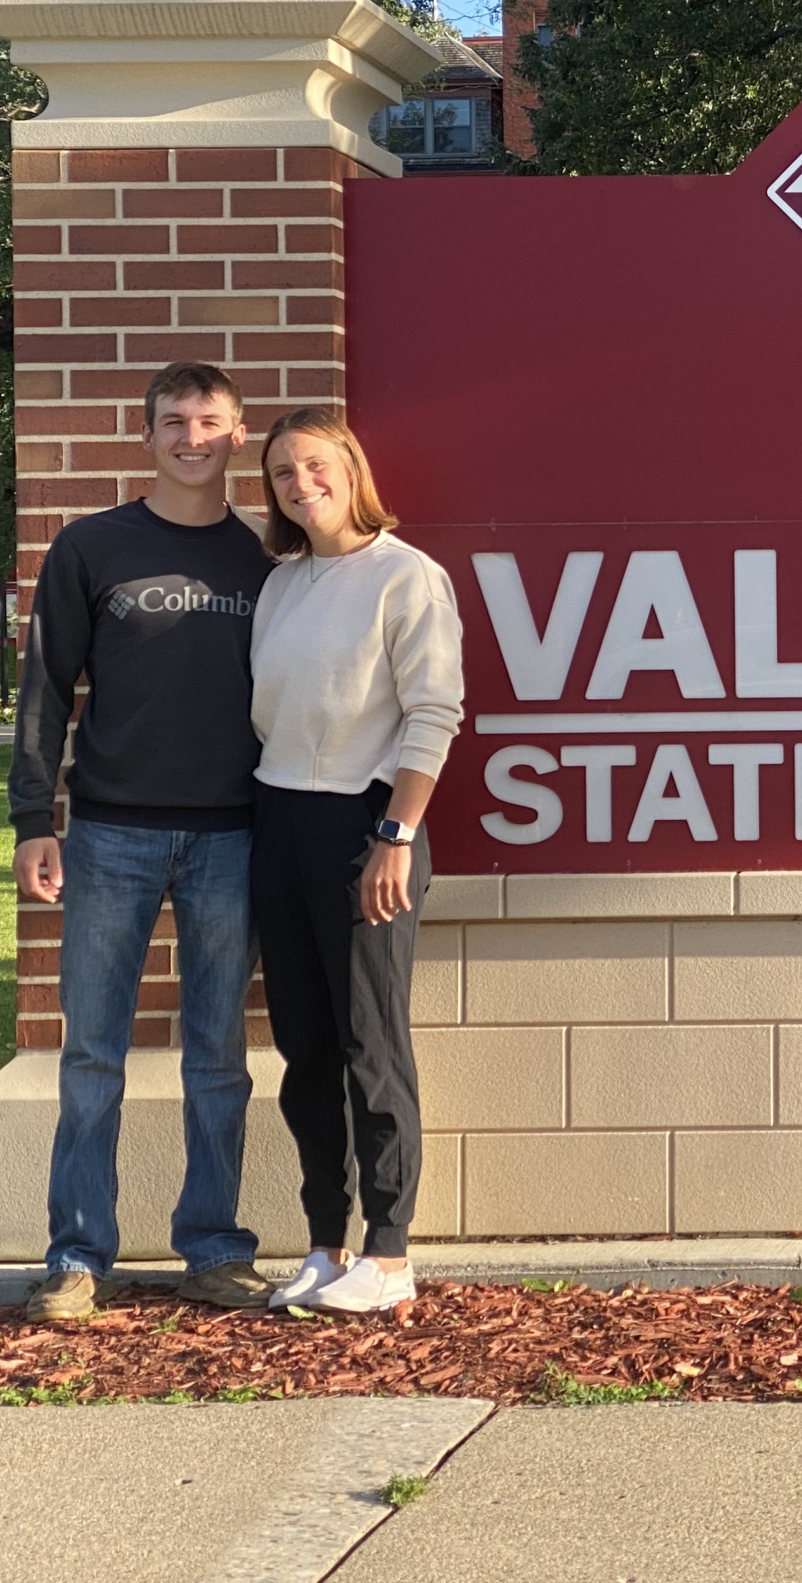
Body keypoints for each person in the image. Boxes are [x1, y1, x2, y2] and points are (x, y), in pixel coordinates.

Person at [12, 362, 275, 1320]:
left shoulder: (267, 560)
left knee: (218, 1055)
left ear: (237, 435)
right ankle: (77, 1256)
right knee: (91, 1055)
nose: (191, 437)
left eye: (209, 422)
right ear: (147, 436)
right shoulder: (92, 548)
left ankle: (213, 1248)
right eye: (173, 421)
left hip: (234, 837)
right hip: (110, 833)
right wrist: (32, 821)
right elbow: (45, 692)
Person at [248, 407, 464, 1315]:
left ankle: (389, 1251)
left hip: (366, 830)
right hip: (279, 820)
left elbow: (433, 713)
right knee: (305, 1050)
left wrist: (396, 837)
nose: (303, 485)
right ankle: (326, 1245)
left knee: (371, 1041)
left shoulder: (405, 577)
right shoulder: (282, 583)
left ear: (351, 469)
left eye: (316, 466)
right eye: (284, 475)